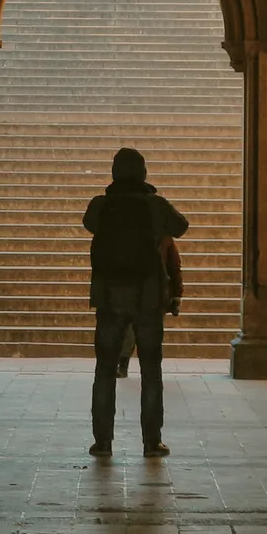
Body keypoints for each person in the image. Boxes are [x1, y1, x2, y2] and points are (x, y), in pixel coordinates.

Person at [83, 147, 188, 457]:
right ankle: (151, 441)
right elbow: (181, 227)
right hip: (148, 298)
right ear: (143, 173)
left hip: (109, 298)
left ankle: (103, 442)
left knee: (104, 370)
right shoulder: (155, 205)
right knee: (151, 371)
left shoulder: (100, 206)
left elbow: (88, 224)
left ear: (114, 173)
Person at [117, 236, 184, 377]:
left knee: (133, 330)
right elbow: (175, 266)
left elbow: (174, 266)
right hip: (147, 292)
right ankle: (139, 366)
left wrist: (177, 293)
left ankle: (127, 365)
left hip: (151, 292)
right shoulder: (163, 237)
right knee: (139, 331)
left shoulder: (164, 238)